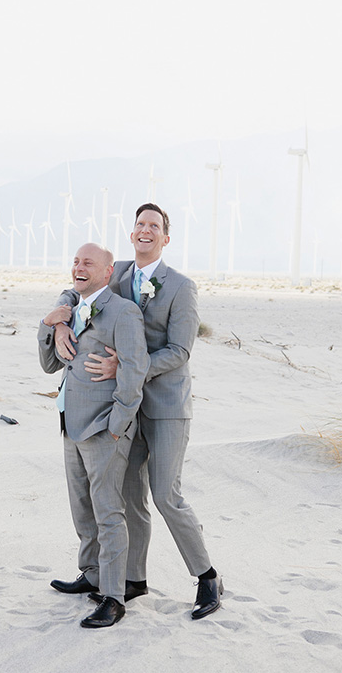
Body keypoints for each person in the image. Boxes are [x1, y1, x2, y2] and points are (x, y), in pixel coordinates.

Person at [53, 203, 222, 620]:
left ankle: (207, 576)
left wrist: (129, 366)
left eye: (154, 226)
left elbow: (180, 351)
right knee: (129, 497)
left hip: (165, 406)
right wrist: (58, 320)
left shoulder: (181, 287)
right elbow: (76, 289)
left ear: (166, 238)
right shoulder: (118, 272)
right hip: (122, 406)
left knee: (166, 494)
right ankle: (132, 579)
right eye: (140, 224)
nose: (146, 230)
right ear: (132, 235)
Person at [38, 243, 149, 628]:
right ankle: (91, 574)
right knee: (82, 507)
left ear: (107, 272)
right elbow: (49, 364)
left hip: (104, 429)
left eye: (88, 262)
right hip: (70, 423)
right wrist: (50, 324)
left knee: (108, 513)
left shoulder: (123, 311)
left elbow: (135, 370)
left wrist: (117, 426)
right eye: (75, 261)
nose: (78, 267)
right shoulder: (70, 311)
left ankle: (114, 597)